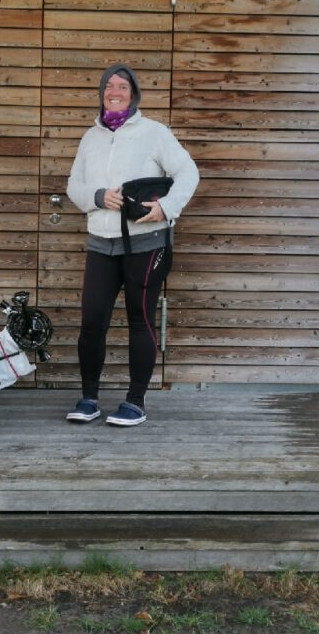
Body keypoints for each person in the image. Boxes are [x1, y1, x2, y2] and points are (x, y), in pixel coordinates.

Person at [64, 63, 199, 427]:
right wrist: (96, 196)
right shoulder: (90, 138)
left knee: (140, 319)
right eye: (109, 85)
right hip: (100, 244)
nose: (116, 90)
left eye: (123, 86)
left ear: (133, 93)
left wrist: (166, 208)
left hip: (145, 243)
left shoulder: (154, 132)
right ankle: (89, 398)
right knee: (93, 321)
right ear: (102, 93)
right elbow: (72, 186)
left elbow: (188, 172)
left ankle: (135, 401)